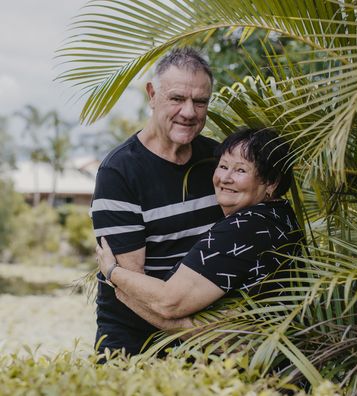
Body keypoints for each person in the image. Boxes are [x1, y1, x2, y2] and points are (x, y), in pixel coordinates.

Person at [97, 127, 304, 336]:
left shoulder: (243, 230)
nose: (226, 178)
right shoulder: (281, 215)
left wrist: (113, 273)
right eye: (223, 166)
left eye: (241, 170)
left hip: (241, 363)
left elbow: (169, 302)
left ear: (271, 182)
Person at [91, 47, 224, 356]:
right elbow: (130, 290)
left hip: (206, 331)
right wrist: (207, 339)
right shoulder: (119, 173)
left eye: (200, 101)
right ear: (152, 94)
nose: (189, 112)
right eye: (177, 98)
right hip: (136, 340)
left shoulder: (219, 162)